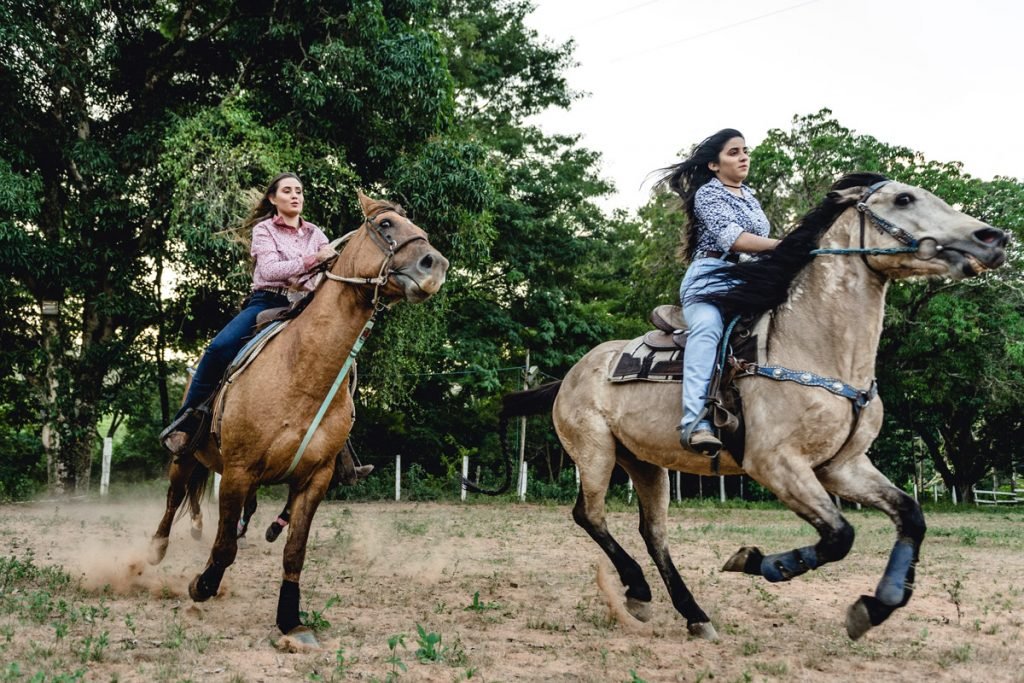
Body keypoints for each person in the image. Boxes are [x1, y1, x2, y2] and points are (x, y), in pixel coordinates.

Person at [160, 172, 337, 455]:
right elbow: (269, 271)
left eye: (299, 191)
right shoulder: (264, 230)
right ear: (272, 198)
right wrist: (313, 259)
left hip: (307, 306)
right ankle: (186, 424)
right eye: (288, 191)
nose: (295, 196)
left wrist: (318, 270)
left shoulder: (316, 233)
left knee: (338, 362)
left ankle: (340, 450)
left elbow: (326, 274)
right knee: (219, 348)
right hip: (267, 302)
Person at [657, 129, 779, 455]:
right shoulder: (708, 196)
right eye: (734, 152)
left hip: (747, 279)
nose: (743, 157)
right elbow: (735, 240)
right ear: (714, 164)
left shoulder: (750, 196)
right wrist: (788, 246)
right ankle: (695, 423)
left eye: (745, 151)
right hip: (710, 281)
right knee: (708, 329)